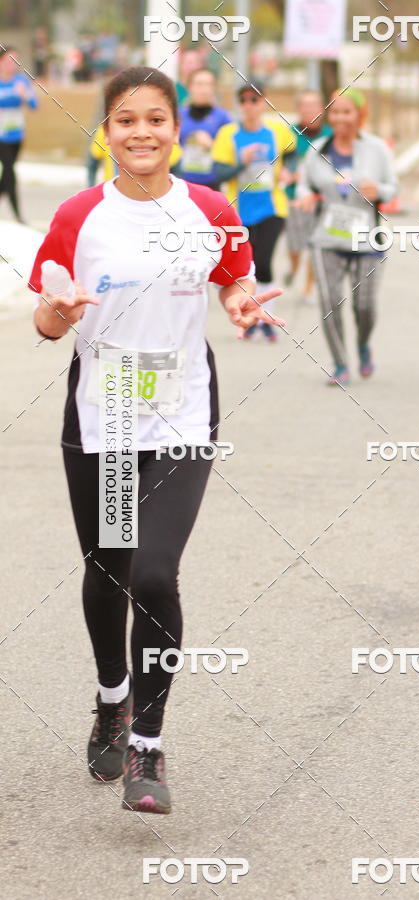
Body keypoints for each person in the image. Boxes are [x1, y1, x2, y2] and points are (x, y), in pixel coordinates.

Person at [28, 66, 283, 815]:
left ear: (176, 129)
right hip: (104, 420)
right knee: (109, 570)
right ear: (105, 132)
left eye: (155, 119)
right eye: (125, 120)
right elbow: (45, 319)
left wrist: (238, 302)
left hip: (179, 415)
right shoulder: (80, 217)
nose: (141, 132)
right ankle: (111, 695)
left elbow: (234, 277)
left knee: (153, 574)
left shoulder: (211, 208)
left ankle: (147, 742)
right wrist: (60, 313)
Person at [296, 88, 399, 385]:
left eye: (347, 112)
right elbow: (305, 185)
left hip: (366, 240)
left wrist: (380, 191)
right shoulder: (318, 149)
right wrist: (304, 197)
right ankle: (340, 364)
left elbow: (393, 187)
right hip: (326, 239)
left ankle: (364, 345)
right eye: (335, 112)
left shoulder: (377, 149)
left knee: (364, 306)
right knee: (329, 302)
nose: (340, 118)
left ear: (359, 115)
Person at [212, 80, 297, 341]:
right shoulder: (228, 134)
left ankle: (267, 319)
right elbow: (219, 171)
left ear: (263, 103)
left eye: (254, 99)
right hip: (240, 210)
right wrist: (242, 162)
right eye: (244, 100)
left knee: (264, 259)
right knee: (247, 266)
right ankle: (251, 314)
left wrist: (290, 170)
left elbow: (292, 153)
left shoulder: (277, 132)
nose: (249, 105)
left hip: (272, 206)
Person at [283, 91, 332, 302]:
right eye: (305, 105)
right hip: (295, 197)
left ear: (321, 109)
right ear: (299, 109)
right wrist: (289, 174)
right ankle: (293, 267)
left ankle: (309, 288)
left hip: (323, 198)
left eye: (315, 105)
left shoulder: (331, 134)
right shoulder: (289, 135)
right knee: (295, 245)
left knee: (316, 243)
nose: (310, 110)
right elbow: (281, 165)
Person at [0, 47, 37, 223]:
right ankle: (18, 215)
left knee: (7, 172)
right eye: (9, 60)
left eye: (15, 61)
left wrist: (25, 96)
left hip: (16, 134)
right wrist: (11, 99)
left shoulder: (21, 81)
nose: (12, 65)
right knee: (9, 171)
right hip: (1, 136)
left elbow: (33, 105)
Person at [178, 68, 231, 188]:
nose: (204, 90)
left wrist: (212, 146)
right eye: (199, 84)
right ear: (189, 87)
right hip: (182, 185)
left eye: (209, 85)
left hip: (212, 186)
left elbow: (231, 156)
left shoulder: (223, 118)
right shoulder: (178, 116)